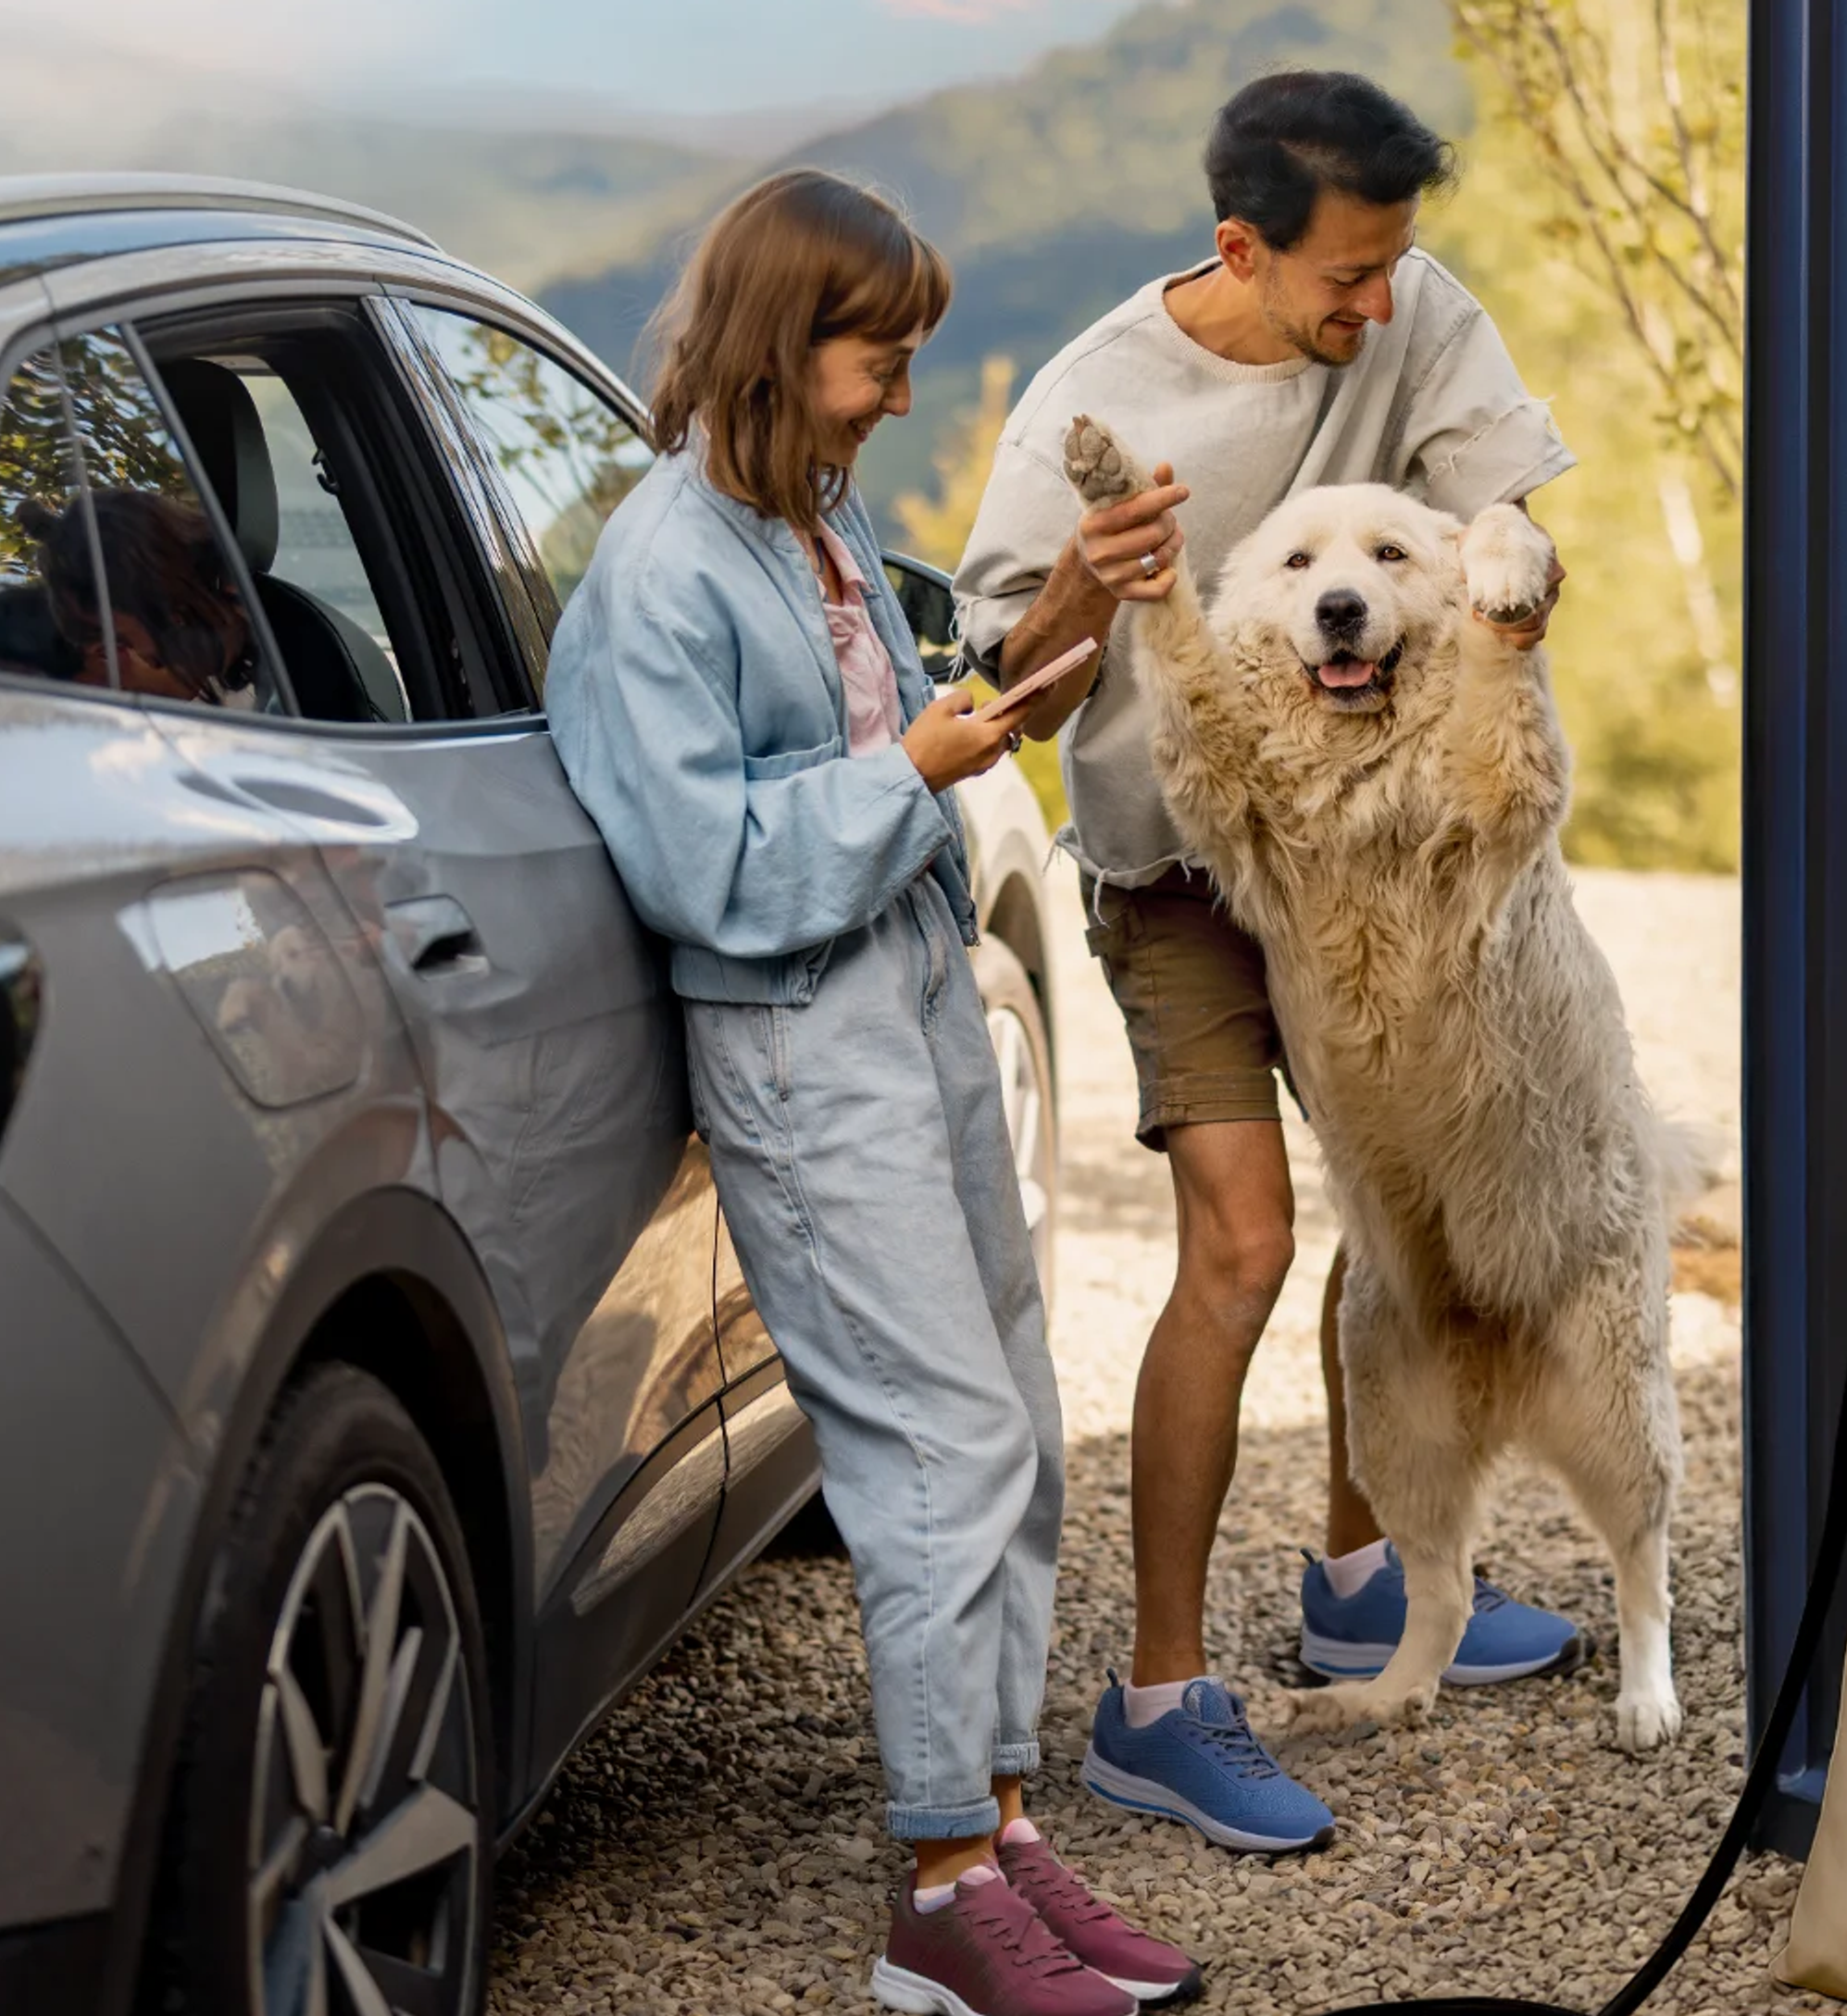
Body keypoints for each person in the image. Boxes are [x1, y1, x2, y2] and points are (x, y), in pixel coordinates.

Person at [545, 170, 1201, 2016]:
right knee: (934, 1453)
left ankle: (999, 1837)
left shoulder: (809, 524)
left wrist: (1055, 621)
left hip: (904, 1005)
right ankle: (934, 1896)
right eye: (878, 359)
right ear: (781, 343)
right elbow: (699, 864)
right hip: (802, 1053)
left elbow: (907, 732)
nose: (902, 395)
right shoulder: (662, 576)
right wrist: (905, 768)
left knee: (1012, 1407)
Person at [953, 70, 1589, 1853]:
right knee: (1240, 1242)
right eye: (1345, 280)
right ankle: (1159, 1699)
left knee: (1398, 1222)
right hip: (1183, 869)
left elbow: (1513, 531)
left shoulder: (1416, 300)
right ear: (1240, 247)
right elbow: (1003, 682)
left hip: (1373, 863)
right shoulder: (1094, 397)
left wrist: (1522, 586)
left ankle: (1362, 1580)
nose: (1379, 305)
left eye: (1396, 265)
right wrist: (1091, 581)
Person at [20, 488, 260, 706]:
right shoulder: (252, 681)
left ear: (167, 603)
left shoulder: (286, 648)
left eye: (122, 640)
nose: (144, 657)